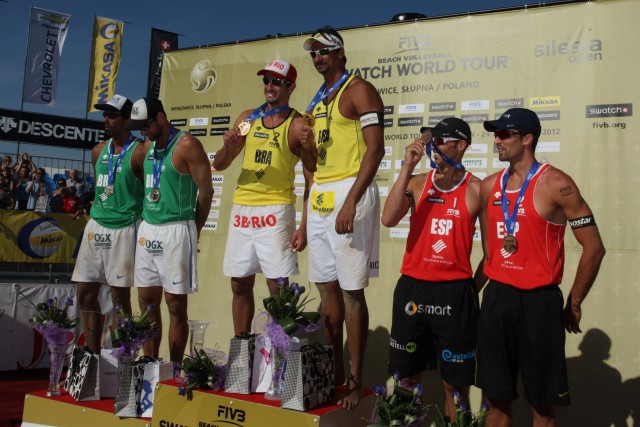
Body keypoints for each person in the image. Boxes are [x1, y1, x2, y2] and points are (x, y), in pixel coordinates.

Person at [476, 108, 606, 427]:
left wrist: (574, 302)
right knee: (495, 402)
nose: (496, 140)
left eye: (504, 134)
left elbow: (594, 248)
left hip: (539, 302)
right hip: (497, 300)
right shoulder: (489, 185)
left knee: (543, 407)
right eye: (495, 134)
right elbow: (490, 250)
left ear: (527, 139)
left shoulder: (557, 183)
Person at [299, 27, 385, 409]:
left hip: (351, 189)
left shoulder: (359, 90)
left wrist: (352, 200)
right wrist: (306, 148)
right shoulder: (317, 101)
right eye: (313, 53)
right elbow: (312, 163)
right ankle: (332, 376)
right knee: (325, 288)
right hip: (321, 192)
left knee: (351, 291)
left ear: (340, 53)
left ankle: (354, 380)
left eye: (323, 51)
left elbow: (375, 150)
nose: (317, 57)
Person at [381, 118, 483, 419]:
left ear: (461, 145)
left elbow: (492, 254)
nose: (433, 146)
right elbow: (388, 219)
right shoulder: (416, 182)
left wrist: (466, 291)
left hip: (454, 293)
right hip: (413, 289)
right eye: (431, 141)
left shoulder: (477, 188)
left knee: (455, 386)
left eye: (441, 140)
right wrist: (406, 168)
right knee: (406, 380)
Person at [213, 59, 317, 336]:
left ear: (291, 87)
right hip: (243, 208)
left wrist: (304, 226)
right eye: (266, 80)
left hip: (275, 209)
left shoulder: (297, 124)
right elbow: (220, 164)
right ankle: (241, 345)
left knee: (277, 287)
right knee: (239, 283)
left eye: (277, 81)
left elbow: (312, 176)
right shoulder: (248, 118)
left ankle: (280, 348)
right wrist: (227, 147)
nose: (270, 86)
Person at [129, 97, 213, 363]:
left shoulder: (187, 144)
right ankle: (149, 364)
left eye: (146, 126)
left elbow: (206, 192)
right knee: (146, 303)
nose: (143, 132)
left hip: (177, 227)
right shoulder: (146, 147)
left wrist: (195, 229)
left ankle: (175, 370)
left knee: (175, 304)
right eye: (140, 128)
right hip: (148, 228)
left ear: (161, 117)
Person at [71, 94, 146, 352]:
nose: (106, 119)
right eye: (105, 114)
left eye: (112, 115)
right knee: (84, 292)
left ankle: (122, 354)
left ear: (127, 120)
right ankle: (91, 353)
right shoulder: (97, 151)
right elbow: (103, 189)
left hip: (125, 227)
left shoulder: (140, 151)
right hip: (96, 226)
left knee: (119, 297)